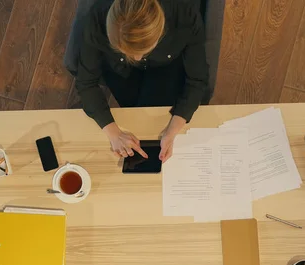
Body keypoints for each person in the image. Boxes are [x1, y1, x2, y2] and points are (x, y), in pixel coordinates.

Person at [76, 0, 209, 162]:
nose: (137, 59)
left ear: (162, 30)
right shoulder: (97, 17)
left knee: (152, 124)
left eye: (144, 50)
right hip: (120, 69)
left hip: (166, 67)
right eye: (125, 51)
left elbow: (197, 79)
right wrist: (113, 132)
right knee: (137, 123)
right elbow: (86, 82)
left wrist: (173, 130)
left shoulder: (184, 15)